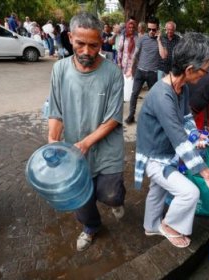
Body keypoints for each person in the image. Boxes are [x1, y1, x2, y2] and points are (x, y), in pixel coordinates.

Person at [135, 32, 209, 248]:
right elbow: (179, 139)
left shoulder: (182, 88)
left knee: (157, 192)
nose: (205, 76)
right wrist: (207, 175)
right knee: (190, 192)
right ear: (189, 70)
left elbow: (186, 120)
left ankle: (151, 226)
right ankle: (169, 226)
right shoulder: (162, 95)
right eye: (204, 70)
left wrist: (196, 137)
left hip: (167, 153)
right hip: (155, 159)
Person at [48, 12, 126, 252]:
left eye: (93, 45)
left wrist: (85, 143)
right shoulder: (59, 69)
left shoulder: (113, 73)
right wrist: (53, 141)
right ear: (70, 38)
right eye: (80, 43)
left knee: (111, 194)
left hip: (106, 149)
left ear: (101, 42)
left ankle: (116, 202)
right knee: (82, 197)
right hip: (74, 151)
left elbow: (113, 118)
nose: (86, 51)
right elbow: (56, 111)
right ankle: (91, 227)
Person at [124, 16, 167, 124]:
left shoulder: (161, 40)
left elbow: (163, 55)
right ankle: (131, 115)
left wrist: (158, 41)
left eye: (154, 29)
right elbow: (135, 54)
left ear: (158, 29)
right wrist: (130, 69)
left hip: (153, 73)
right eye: (149, 29)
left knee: (153, 96)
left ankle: (152, 116)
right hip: (140, 71)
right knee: (134, 94)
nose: (151, 32)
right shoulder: (142, 38)